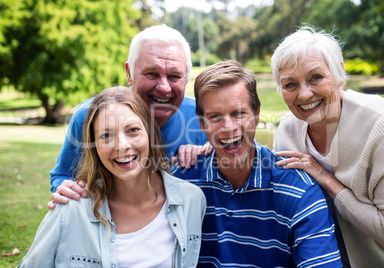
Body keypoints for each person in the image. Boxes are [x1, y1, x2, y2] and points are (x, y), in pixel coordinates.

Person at [171, 60, 342, 267]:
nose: (228, 127)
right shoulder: (181, 182)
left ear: (257, 114)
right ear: (202, 124)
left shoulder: (299, 191)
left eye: (238, 113)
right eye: (215, 117)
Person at [18, 86, 206, 267]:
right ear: (94, 145)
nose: (122, 145)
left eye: (133, 130)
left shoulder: (192, 201)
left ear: (150, 133)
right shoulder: (70, 209)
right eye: (106, 135)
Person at [271, 26, 384, 267]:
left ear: (339, 72)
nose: (304, 94)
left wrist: (326, 179)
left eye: (316, 77)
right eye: (290, 84)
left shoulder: (382, 123)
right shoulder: (287, 130)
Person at [48, 24, 208, 206]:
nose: (164, 87)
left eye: (174, 76)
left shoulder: (203, 116)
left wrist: (206, 150)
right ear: (129, 73)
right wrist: (66, 189)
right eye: (152, 73)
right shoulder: (90, 116)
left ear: (186, 77)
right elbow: (62, 175)